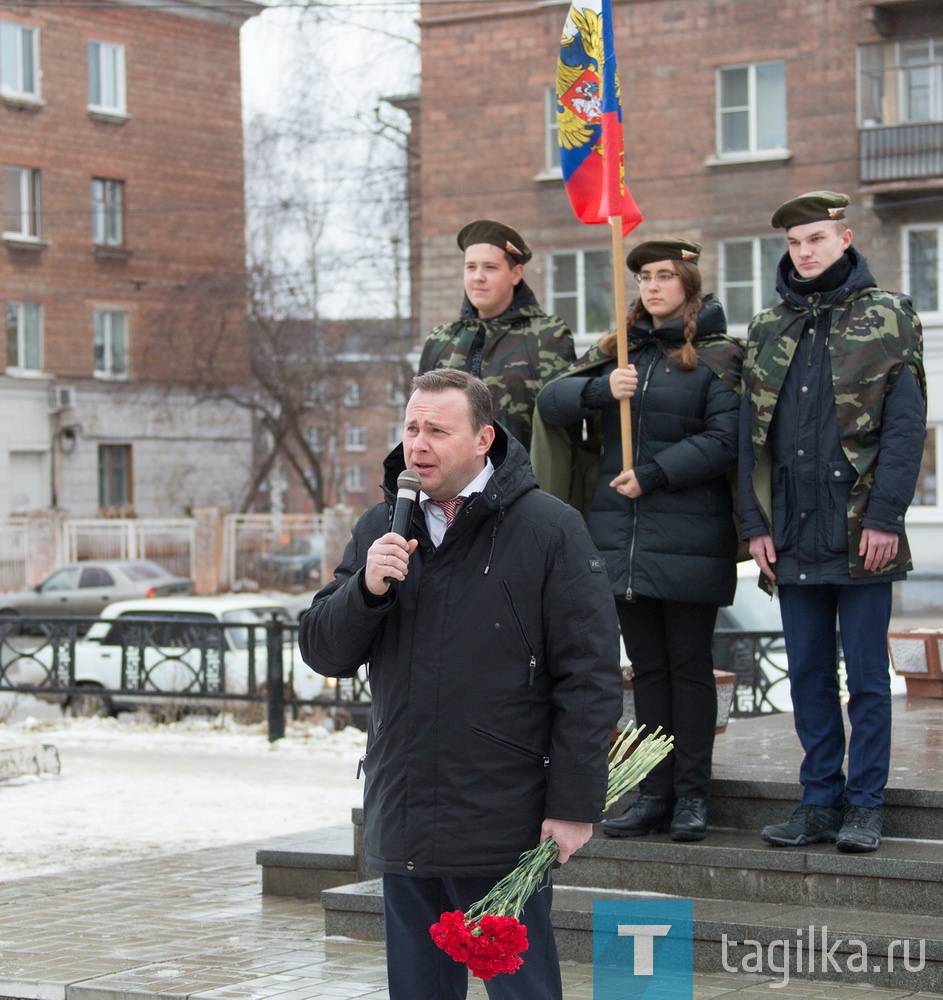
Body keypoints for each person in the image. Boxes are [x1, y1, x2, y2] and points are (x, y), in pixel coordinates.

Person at [298, 367, 622, 1000]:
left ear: (483, 440)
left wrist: (576, 803)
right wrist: (365, 590)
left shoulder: (549, 529)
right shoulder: (381, 528)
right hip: (407, 815)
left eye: (437, 431)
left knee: (522, 992)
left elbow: (589, 679)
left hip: (500, 824)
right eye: (412, 428)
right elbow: (322, 650)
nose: (417, 445)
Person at [532, 238, 743, 843]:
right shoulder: (618, 353)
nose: (651, 287)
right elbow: (552, 402)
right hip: (619, 542)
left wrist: (652, 474)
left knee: (688, 667)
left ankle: (692, 798)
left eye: (663, 276)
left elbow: (725, 439)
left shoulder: (716, 356)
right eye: (643, 277)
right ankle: (653, 792)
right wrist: (604, 391)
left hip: (688, 537)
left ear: (688, 284)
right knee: (646, 671)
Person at [738, 191, 927, 854]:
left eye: (816, 238)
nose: (805, 251)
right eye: (794, 242)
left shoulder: (886, 315)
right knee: (809, 675)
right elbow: (747, 436)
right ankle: (817, 801)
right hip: (789, 535)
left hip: (861, 535)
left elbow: (905, 430)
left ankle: (864, 805)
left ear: (843, 238)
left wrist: (884, 516)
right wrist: (752, 524)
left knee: (867, 680)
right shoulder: (767, 327)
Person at [417, 218, 575, 451]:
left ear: (516, 274)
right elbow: (418, 420)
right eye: (471, 267)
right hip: (451, 484)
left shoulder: (547, 337)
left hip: (521, 482)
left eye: (490, 267)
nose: (478, 276)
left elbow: (565, 428)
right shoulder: (440, 340)